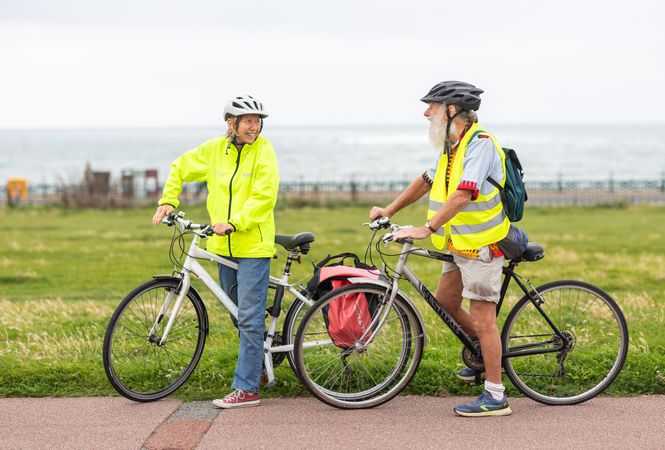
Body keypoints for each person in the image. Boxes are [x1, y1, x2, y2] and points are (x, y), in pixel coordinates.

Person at [369, 81, 512, 417]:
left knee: (483, 317)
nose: (425, 113)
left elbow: (464, 194)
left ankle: (495, 394)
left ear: (450, 111)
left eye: (431, 106)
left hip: (482, 244)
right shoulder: (453, 147)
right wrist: (389, 210)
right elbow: (426, 181)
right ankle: (484, 354)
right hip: (458, 243)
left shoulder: (481, 145)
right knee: (446, 301)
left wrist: (426, 228)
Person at [152, 94, 279, 409]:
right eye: (248, 121)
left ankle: (246, 388)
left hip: (252, 246)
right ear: (231, 123)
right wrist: (169, 199)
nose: (254, 127)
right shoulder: (213, 151)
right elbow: (180, 166)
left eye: (258, 121)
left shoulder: (264, 151)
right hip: (221, 246)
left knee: (248, 318)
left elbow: (264, 197)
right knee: (240, 316)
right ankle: (262, 366)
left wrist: (235, 223)